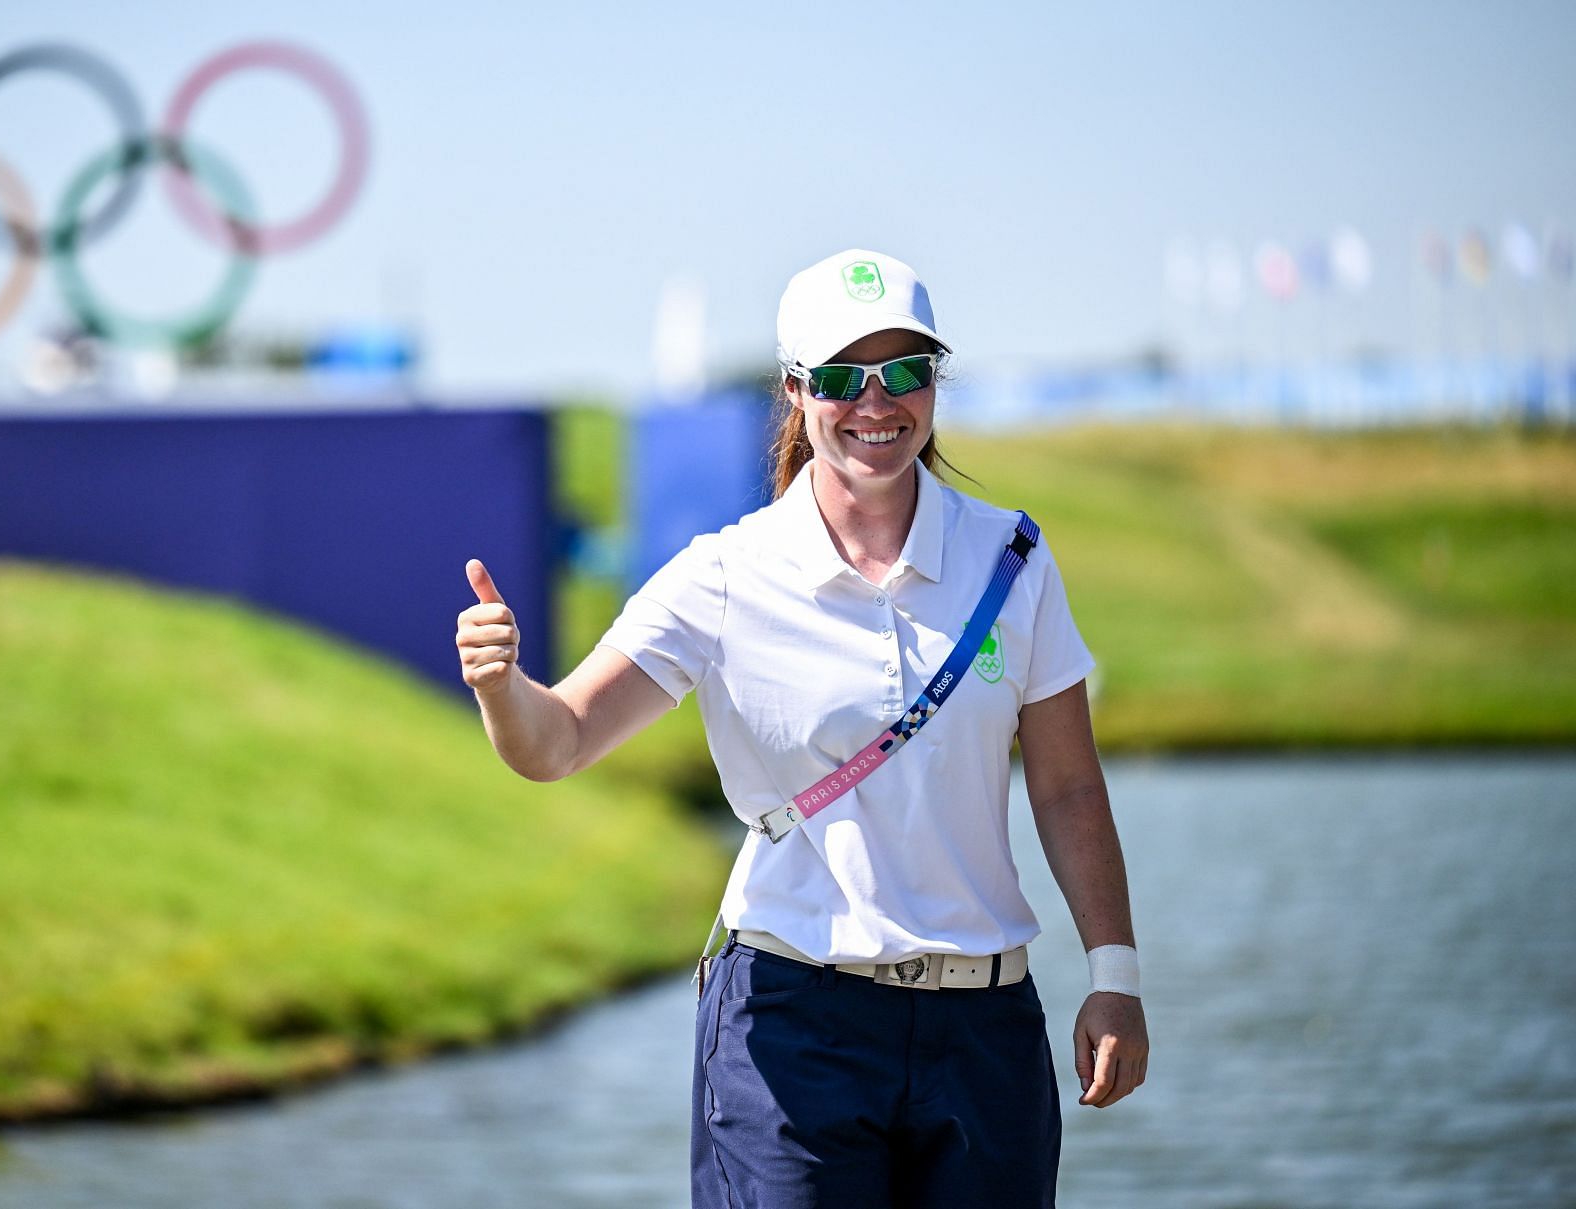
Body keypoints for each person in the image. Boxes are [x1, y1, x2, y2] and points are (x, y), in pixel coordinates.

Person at [455, 248, 1147, 1207]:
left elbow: (1068, 784)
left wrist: (1114, 972)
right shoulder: (726, 572)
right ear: (794, 390)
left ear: (933, 383)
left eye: (904, 371)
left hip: (983, 1028)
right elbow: (560, 739)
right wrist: (501, 685)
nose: (877, 402)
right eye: (840, 378)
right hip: (792, 1020)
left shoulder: (1011, 560)